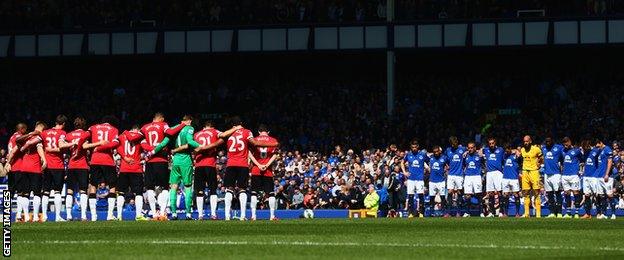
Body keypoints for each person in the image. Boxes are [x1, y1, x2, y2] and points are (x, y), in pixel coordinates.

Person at [217, 116, 278, 221]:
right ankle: (243, 216)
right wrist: (272, 144)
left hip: (231, 164)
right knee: (243, 190)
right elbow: (254, 144)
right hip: (243, 164)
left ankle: (228, 216)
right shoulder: (247, 132)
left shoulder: (228, 133)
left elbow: (221, 136)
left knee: (229, 189)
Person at [148, 115, 199, 220]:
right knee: (188, 186)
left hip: (175, 161)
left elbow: (163, 143)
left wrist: (153, 151)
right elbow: (189, 141)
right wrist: (200, 145)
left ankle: (174, 213)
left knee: (173, 187)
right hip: (186, 160)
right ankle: (188, 214)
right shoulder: (190, 128)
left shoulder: (173, 129)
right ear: (189, 120)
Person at [140, 113, 186, 220]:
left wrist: (151, 149)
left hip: (150, 161)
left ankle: (153, 213)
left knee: (150, 188)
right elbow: (170, 132)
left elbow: (141, 141)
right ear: (160, 118)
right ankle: (162, 213)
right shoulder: (163, 124)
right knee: (165, 187)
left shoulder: (145, 127)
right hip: (161, 160)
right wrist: (182, 125)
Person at [85, 115, 120, 221]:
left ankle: (94, 216)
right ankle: (109, 215)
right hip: (108, 161)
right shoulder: (114, 129)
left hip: (95, 160)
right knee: (112, 186)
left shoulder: (93, 127)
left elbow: (84, 137)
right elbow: (116, 143)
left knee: (93, 185)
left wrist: (96, 147)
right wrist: (103, 147)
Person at [40, 115, 73, 222]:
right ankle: (58, 216)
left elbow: (40, 146)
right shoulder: (62, 133)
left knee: (46, 191)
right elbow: (61, 145)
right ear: (63, 124)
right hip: (58, 165)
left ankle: (44, 216)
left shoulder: (44, 133)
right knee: (58, 191)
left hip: (47, 165)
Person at [16, 121, 48, 222]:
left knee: (25, 193)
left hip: (24, 167)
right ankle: (34, 216)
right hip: (35, 168)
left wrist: (28, 136)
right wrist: (44, 159)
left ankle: (25, 216)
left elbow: (17, 140)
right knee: (37, 193)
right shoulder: (39, 136)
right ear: (43, 129)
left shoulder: (27, 136)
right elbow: (39, 147)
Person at [192, 120, 224, 220]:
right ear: (212, 126)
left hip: (199, 164)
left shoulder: (196, 134)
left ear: (204, 127)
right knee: (213, 190)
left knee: (199, 191)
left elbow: (191, 147)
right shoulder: (214, 131)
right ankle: (213, 214)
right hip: (210, 164)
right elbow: (223, 137)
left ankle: (200, 215)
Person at [116, 125, 149, 221]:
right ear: (137, 130)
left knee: (121, 193)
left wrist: (125, 157)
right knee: (138, 193)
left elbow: (117, 147)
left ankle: (119, 216)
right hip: (136, 169)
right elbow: (145, 147)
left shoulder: (122, 136)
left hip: (124, 168)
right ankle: (138, 215)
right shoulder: (140, 137)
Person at [248, 124, 279, 220]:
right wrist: (267, 165)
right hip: (267, 170)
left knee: (254, 193)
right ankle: (272, 216)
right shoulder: (273, 140)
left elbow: (249, 154)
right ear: (268, 132)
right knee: (270, 193)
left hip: (256, 170)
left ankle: (253, 216)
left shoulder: (254, 140)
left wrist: (258, 164)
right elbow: (275, 155)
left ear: (258, 132)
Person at [64, 117, 91, 221]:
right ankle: (83, 216)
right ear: (83, 125)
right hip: (82, 165)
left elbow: (65, 148)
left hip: (71, 165)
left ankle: (69, 215)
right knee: (83, 191)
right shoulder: (85, 134)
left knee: (70, 191)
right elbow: (85, 147)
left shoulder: (68, 135)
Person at [5, 123, 28, 221]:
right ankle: (18, 215)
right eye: (25, 130)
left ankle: (6, 215)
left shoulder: (12, 137)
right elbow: (14, 151)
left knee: (10, 192)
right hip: (18, 167)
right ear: (21, 129)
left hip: (11, 168)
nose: (26, 131)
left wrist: (8, 162)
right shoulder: (19, 137)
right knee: (20, 193)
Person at [400, 140, 427, 218]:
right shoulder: (408, 154)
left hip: (420, 179)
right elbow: (402, 162)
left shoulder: (422, 154)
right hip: (411, 179)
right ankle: (411, 213)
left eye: (415, 147)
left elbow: (429, 161)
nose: (414, 148)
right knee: (410, 196)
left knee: (420, 195)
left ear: (418, 146)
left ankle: (421, 212)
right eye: (412, 147)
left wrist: (427, 168)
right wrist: (404, 172)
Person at [519, 135, 543, 218]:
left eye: (527, 141)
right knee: (525, 193)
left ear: (530, 141)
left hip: (534, 172)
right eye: (524, 141)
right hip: (525, 172)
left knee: (536, 192)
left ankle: (538, 214)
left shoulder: (536, 149)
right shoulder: (522, 150)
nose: (525, 143)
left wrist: (539, 164)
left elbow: (541, 157)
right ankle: (526, 213)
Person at [541, 137, 564, 218]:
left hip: (556, 174)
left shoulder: (559, 148)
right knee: (550, 193)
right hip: (547, 174)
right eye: (546, 141)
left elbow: (563, 158)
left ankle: (560, 213)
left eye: (549, 141)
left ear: (552, 141)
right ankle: (552, 212)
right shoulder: (543, 148)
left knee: (557, 192)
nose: (547, 143)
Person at [561, 137, 583, 218]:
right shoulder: (562, 151)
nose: (565, 144)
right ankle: (568, 213)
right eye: (564, 143)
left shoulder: (577, 151)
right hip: (564, 175)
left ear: (570, 142)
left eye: (566, 142)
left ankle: (577, 213)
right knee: (566, 193)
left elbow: (582, 159)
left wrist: (578, 168)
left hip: (574, 175)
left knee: (576, 192)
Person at [462, 142, 485, 217]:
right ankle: (467, 212)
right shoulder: (465, 156)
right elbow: (463, 165)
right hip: (468, 176)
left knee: (479, 194)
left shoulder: (479, 155)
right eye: (469, 148)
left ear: (475, 148)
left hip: (477, 176)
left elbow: (484, 164)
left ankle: (481, 212)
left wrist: (483, 175)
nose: (470, 149)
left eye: (472, 147)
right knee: (467, 195)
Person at [483, 137, 504, 217]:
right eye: (490, 143)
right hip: (489, 173)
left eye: (493, 143)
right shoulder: (486, 150)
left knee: (499, 192)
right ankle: (492, 212)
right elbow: (478, 151)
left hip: (498, 172)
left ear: (495, 143)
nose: (491, 145)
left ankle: (501, 211)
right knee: (490, 193)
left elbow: (509, 151)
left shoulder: (500, 150)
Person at [445, 136, 466, 217]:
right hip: (451, 174)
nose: (453, 145)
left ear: (457, 142)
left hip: (459, 174)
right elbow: (445, 159)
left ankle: (458, 212)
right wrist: (447, 166)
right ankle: (449, 212)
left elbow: (470, 151)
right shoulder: (448, 150)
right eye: (452, 144)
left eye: (455, 143)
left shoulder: (462, 149)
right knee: (450, 192)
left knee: (459, 192)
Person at [594, 138, 614, 219]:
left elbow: (610, 162)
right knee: (602, 195)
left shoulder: (607, 149)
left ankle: (613, 214)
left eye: (598, 146)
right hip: (599, 176)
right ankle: (604, 214)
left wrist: (607, 174)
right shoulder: (600, 151)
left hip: (606, 176)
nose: (597, 147)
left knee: (609, 195)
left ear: (601, 142)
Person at [427, 145, 448, 217]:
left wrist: (447, 169)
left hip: (441, 180)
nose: (436, 153)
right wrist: (427, 168)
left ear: (439, 151)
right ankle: (432, 212)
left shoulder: (444, 158)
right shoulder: (430, 158)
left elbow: (449, 164)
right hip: (432, 180)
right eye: (434, 152)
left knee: (442, 197)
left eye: (437, 151)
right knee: (432, 197)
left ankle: (443, 212)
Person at [580, 140, 600, 219]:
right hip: (586, 176)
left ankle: (599, 213)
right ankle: (588, 214)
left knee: (596, 194)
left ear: (589, 146)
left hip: (594, 176)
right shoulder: (584, 153)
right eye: (583, 148)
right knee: (587, 195)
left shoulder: (596, 151)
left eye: (585, 147)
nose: (584, 149)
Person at [501, 144, 521, 217]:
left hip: (514, 178)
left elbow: (521, 156)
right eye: (505, 149)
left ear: (510, 148)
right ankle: (505, 213)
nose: (506, 150)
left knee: (516, 195)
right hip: (505, 178)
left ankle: (517, 213)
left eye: (508, 149)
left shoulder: (515, 155)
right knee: (505, 195)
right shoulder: (504, 156)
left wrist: (517, 150)